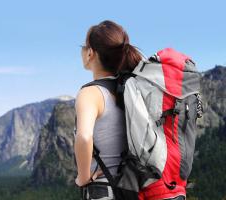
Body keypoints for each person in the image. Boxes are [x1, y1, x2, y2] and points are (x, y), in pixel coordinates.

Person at [73, 20, 186, 200]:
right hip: (134, 189)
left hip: (105, 190)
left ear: (90, 53)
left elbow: (84, 137)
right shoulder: (133, 89)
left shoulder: (90, 93)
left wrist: (83, 177)